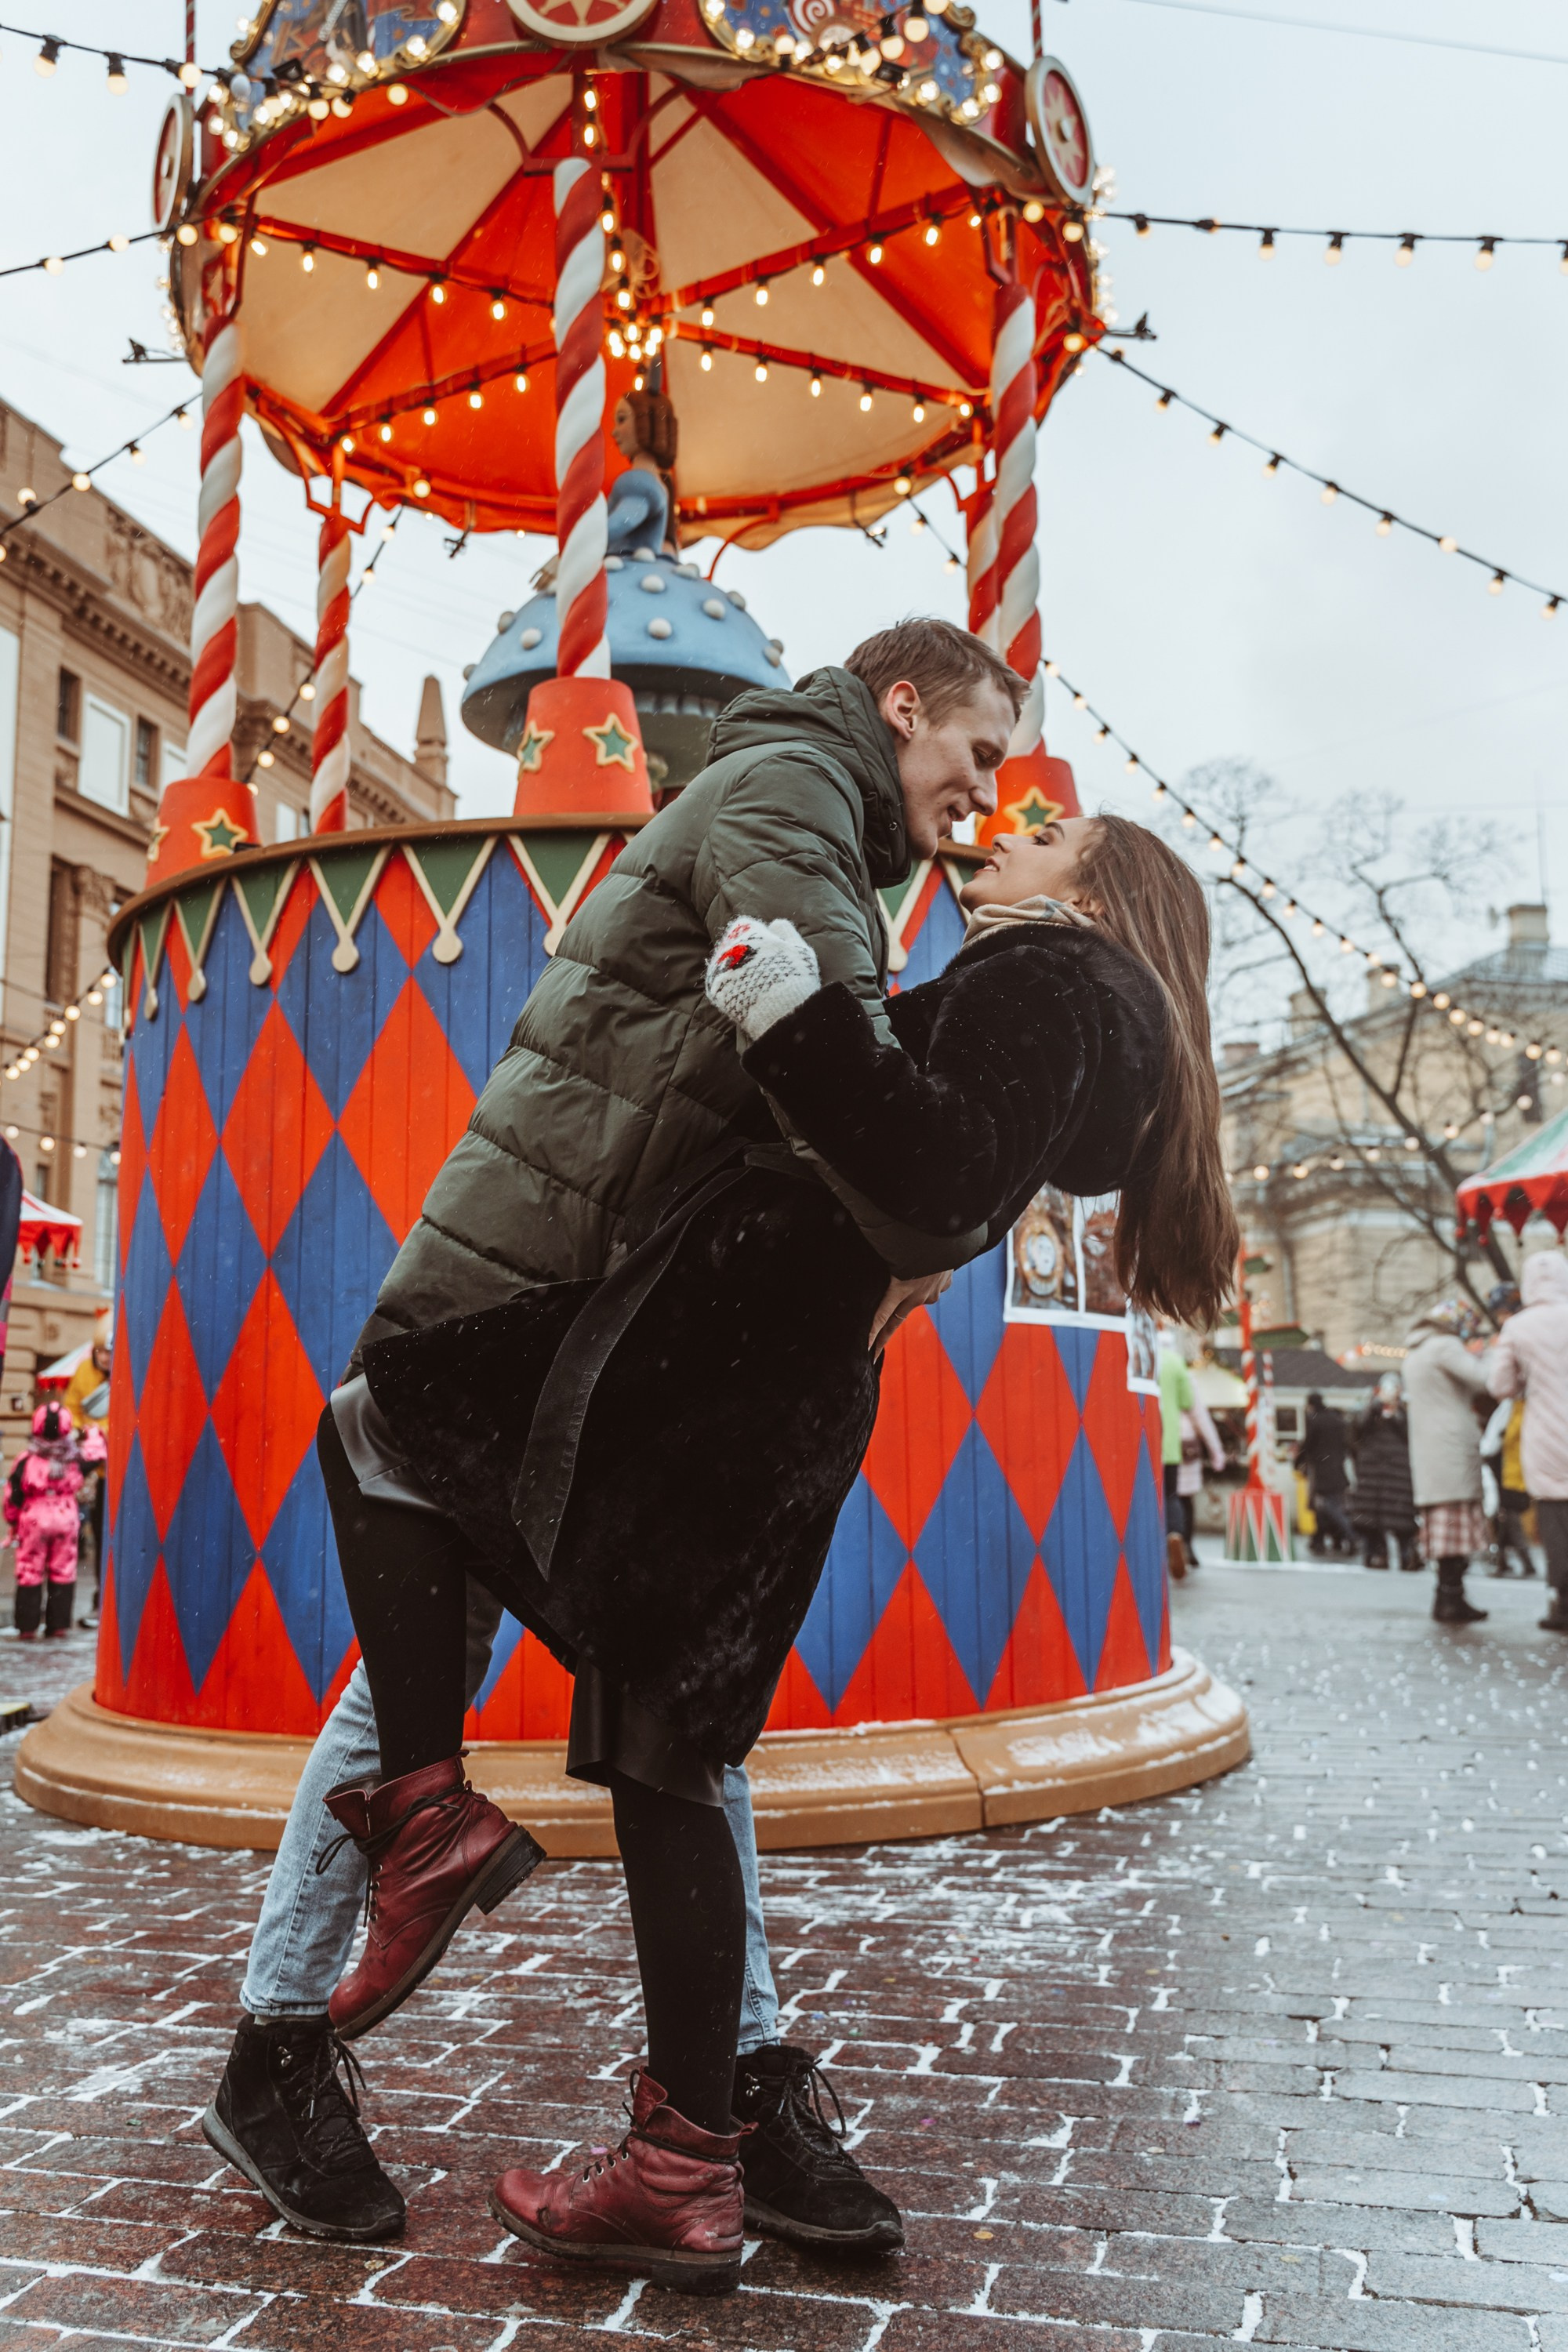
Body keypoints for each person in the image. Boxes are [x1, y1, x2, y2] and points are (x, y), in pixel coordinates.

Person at [314, 800, 1238, 2294]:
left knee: (385, 1420)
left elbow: (930, 1171)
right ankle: (682, 2171)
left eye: (1052, 826)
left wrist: (781, 1004)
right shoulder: (1092, 1023)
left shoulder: (1051, 977)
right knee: (668, 1742)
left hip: (723, 1345)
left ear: (1100, 886)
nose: (1009, 829)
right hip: (790, 1379)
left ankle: (426, 1812)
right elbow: (950, 1190)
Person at [204, 619, 1023, 2253]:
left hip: (610, 1312)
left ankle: (714, 2073)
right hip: (543, 1297)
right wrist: (928, 1206)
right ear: (903, 704)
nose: (983, 793)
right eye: (978, 752)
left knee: (668, 1681)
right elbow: (833, 1063)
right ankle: (291, 2045)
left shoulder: (806, 813)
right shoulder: (790, 793)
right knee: (536, 1687)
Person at [1486, 1251, 1568, 1632]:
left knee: (1554, 1523)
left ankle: (1563, 1603)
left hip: (1547, 1437)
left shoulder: (1518, 1327)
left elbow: (1500, 1385)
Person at [1403, 1299, 1492, 1623]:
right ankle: (1451, 1600)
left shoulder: (1418, 1350)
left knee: (1445, 1529)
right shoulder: (1445, 1346)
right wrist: (1490, 1354)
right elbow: (1484, 1378)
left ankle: (1448, 1596)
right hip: (1452, 1447)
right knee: (1457, 1527)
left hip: (1430, 1451)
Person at [2, 1403, 100, 1639]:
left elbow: (13, 1493)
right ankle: (58, 1625)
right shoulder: (74, 1458)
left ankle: (27, 1626)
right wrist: (93, 1432)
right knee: (63, 1571)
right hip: (66, 1515)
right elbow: (97, 1453)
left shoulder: (27, 1459)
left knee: (30, 1572)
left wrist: (13, 1520)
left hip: (34, 1516)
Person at [63, 1338, 111, 1628]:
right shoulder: (85, 1372)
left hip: (126, 1470)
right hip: (99, 1472)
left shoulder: (129, 1371)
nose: (105, 1358)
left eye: (110, 1352)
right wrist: (87, 1434)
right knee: (102, 1536)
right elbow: (72, 1410)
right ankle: (101, 1599)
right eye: (101, 1352)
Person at [1350, 1375, 1417, 1570]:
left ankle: (1406, 1555)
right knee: (1372, 1520)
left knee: (1402, 1520)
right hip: (1374, 1476)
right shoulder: (1370, 1412)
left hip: (1397, 1476)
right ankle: (1378, 1554)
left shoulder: (1404, 1413)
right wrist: (1376, 1407)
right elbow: (1358, 1430)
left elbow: (1410, 1434)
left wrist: (1397, 1412)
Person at [1296, 1392, 1356, 1559]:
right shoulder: (1338, 1420)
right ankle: (1321, 1540)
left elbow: (1308, 1444)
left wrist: (1298, 1461)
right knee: (1329, 1506)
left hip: (1321, 1471)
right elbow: (1349, 1444)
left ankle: (1349, 1535)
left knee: (1327, 1507)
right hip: (1338, 1469)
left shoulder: (1315, 1420)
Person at [1157, 1337, 1196, 1581]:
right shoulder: (1175, 1362)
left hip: (1142, 1442)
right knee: (1171, 1495)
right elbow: (1187, 1401)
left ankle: (1152, 1548)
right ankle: (1174, 1533)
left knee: (1145, 1497)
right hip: (1169, 1443)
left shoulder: (1141, 1353)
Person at [1174, 1396, 1225, 1570]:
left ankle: (1174, 1542)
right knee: (1185, 1500)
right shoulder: (1185, 1378)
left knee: (1169, 1498)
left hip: (1163, 1444)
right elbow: (1201, 1418)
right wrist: (1216, 1451)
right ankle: (1186, 1545)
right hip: (1186, 1447)